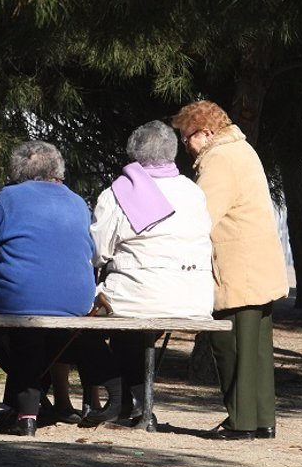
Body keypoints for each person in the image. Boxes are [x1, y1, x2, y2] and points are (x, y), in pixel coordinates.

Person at [0, 140, 104, 436]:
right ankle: (26, 416)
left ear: (16, 171)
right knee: (28, 333)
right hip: (75, 303)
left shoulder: (10, 197)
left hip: (15, 298)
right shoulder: (77, 201)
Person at [171, 100, 288, 440]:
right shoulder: (242, 149)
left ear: (205, 132)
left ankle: (241, 422)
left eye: (186, 137)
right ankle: (261, 419)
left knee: (231, 345)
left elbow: (202, 215)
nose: (186, 145)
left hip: (238, 269)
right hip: (257, 266)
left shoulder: (219, 160)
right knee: (257, 351)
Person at [90, 120, 214, 422]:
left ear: (133, 153)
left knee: (94, 321)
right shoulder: (193, 191)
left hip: (138, 294)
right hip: (194, 296)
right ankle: (137, 406)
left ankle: (128, 401)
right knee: (128, 333)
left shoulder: (118, 193)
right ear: (172, 152)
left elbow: (96, 252)